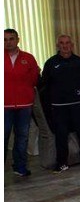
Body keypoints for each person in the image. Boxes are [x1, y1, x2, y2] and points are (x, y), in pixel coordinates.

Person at [40, 34, 80, 172]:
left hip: (78, 104)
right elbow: (45, 83)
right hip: (59, 106)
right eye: (62, 43)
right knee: (61, 135)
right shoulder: (51, 63)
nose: (65, 46)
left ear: (72, 45)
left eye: (68, 43)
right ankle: (61, 163)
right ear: (57, 45)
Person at [4, 28, 40, 177]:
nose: (8, 42)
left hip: (24, 105)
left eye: (11, 39)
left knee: (22, 137)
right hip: (4, 106)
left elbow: (34, 79)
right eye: (5, 39)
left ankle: (20, 166)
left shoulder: (28, 58)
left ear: (17, 40)